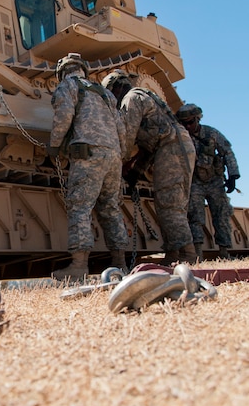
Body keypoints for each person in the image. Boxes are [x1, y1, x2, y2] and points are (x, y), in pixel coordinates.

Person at [101, 71, 196, 266]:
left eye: (111, 94)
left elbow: (127, 137)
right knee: (168, 202)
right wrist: (136, 170)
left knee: (169, 202)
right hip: (174, 145)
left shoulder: (131, 98)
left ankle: (187, 254)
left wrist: (118, 163)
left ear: (117, 87)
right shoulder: (143, 95)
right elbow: (147, 146)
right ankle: (173, 253)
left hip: (170, 147)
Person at [49, 53, 129, 281]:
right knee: (111, 208)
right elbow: (121, 127)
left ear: (63, 72)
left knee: (80, 206)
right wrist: (120, 154)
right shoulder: (104, 93)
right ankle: (120, 263)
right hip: (113, 156)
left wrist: (55, 145)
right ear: (83, 69)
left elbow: (64, 116)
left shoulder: (69, 85)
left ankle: (79, 265)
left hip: (88, 153)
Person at [175, 103, 240, 260]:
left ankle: (224, 252)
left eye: (191, 122)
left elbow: (227, 152)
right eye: (184, 123)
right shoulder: (181, 137)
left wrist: (233, 176)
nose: (188, 126)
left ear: (198, 119)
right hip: (195, 182)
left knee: (221, 215)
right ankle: (198, 253)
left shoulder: (211, 134)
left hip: (214, 181)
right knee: (195, 217)